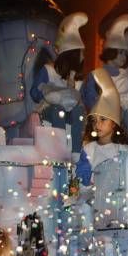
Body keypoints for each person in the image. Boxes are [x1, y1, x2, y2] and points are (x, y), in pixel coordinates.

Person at [82, 14, 128, 149]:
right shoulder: (96, 75)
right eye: (119, 52)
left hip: (123, 119)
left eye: (124, 53)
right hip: (102, 118)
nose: (123, 56)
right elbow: (90, 99)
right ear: (111, 52)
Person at [30, 12, 88, 153]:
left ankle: (75, 151)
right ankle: (59, 149)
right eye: (79, 55)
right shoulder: (48, 71)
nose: (82, 58)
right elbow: (35, 93)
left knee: (79, 112)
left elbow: (82, 101)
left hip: (71, 113)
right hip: (49, 111)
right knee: (58, 110)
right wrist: (46, 92)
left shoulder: (78, 79)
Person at [78, 68, 128, 186]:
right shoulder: (89, 150)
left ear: (114, 123)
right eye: (94, 121)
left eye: (103, 119)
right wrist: (93, 179)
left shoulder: (124, 151)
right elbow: (81, 175)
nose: (97, 125)